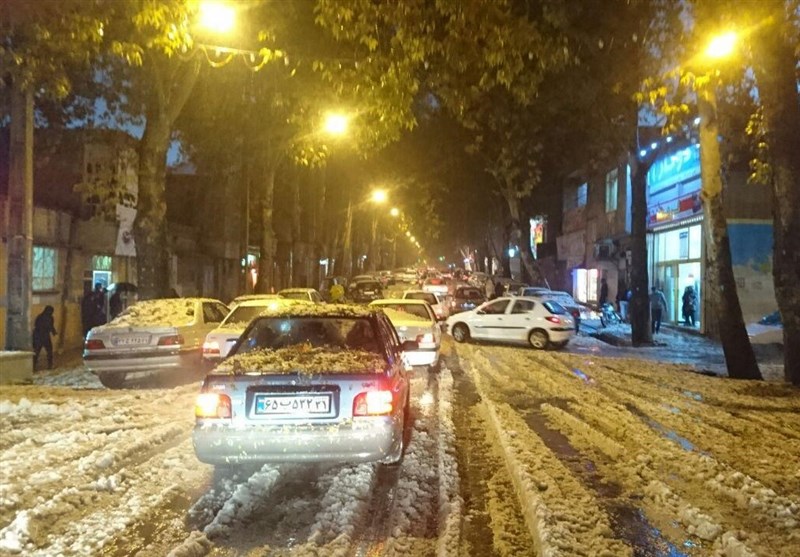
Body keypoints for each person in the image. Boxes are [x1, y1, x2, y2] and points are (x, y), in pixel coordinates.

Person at [32, 305, 57, 370]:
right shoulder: (41, 317)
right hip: (39, 336)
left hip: (44, 336)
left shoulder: (49, 317)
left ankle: (50, 365)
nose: (51, 313)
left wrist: (54, 332)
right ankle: (34, 366)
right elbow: (37, 325)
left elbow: (51, 326)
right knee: (37, 351)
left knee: (48, 351)